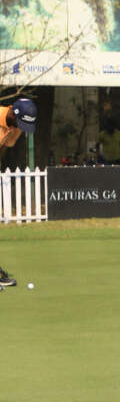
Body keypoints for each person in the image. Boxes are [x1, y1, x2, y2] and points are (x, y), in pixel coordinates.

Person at [0, 97, 37, 287]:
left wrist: (16, 129)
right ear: (13, 113)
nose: (22, 128)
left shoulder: (11, 124)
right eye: (21, 123)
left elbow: (7, 145)